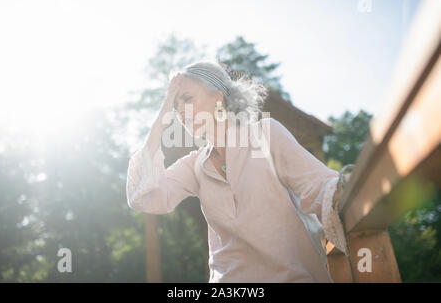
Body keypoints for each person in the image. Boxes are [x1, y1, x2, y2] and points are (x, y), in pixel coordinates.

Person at [126, 60, 348, 282]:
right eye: (174, 107)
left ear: (218, 97)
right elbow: (142, 198)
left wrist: (347, 188)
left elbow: (321, 187)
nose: (179, 112)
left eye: (187, 99)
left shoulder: (265, 135)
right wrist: (159, 123)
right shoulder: (194, 166)